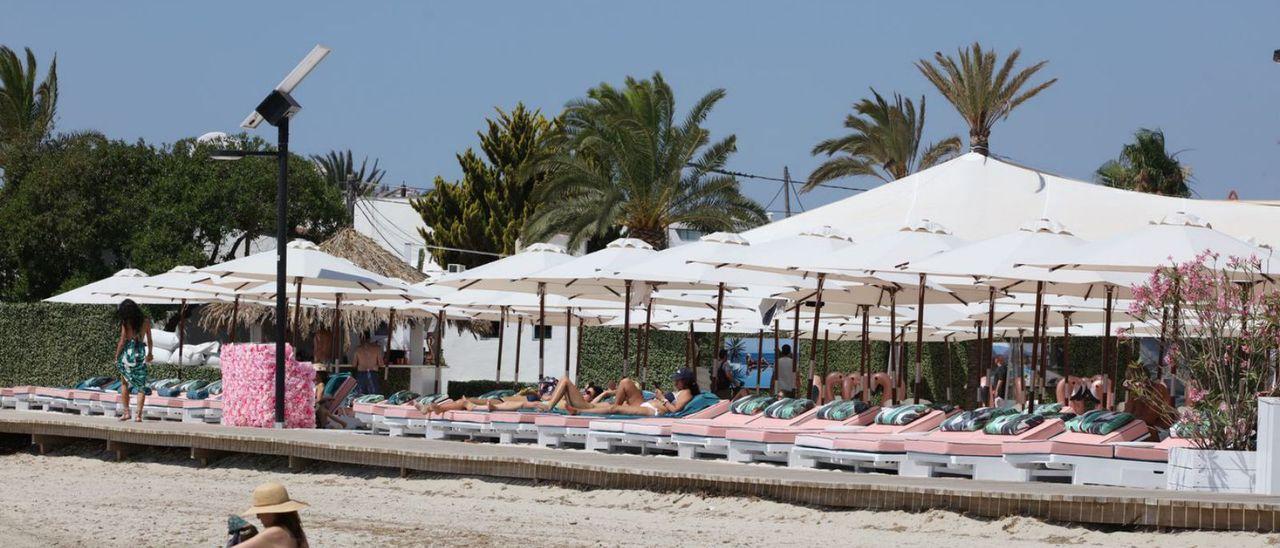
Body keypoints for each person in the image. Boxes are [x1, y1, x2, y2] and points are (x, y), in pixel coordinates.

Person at [565, 369, 702, 416]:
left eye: (677, 381)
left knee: (613, 407)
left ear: (685, 381)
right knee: (625, 382)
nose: (675, 383)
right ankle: (612, 410)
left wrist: (662, 398)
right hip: (646, 404)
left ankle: (579, 411)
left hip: (653, 411)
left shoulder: (687, 393)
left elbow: (675, 410)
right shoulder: (682, 391)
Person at [113, 299, 153, 422]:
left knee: (124, 383)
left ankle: (126, 413)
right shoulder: (145, 321)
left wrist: (116, 356)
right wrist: (150, 353)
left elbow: (122, 340)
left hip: (128, 354)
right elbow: (150, 340)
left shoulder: (126, 323)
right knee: (141, 385)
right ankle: (138, 415)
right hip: (140, 352)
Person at [237, 482, 309, 547]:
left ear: (270, 512)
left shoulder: (274, 532)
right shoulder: (296, 532)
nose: (258, 517)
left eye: (260, 513)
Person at [353, 331, 384, 396]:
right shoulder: (377, 348)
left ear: (360, 339)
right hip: (373, 374)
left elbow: (354, 364)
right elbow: (381, 364)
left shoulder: (358, 349)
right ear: (369, 338)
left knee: (359, 397)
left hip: (361, 375)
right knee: (374, 397)